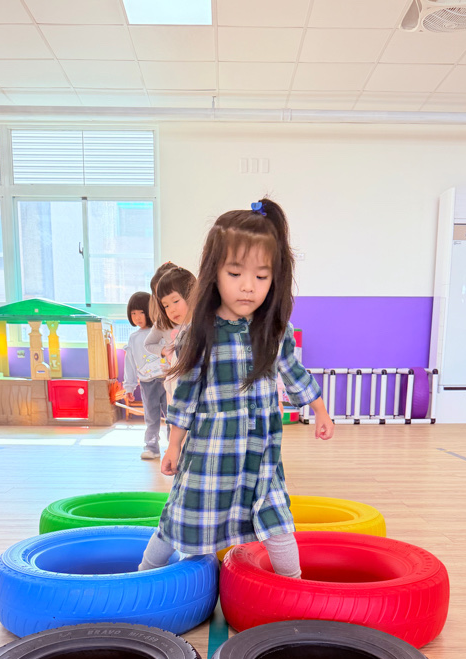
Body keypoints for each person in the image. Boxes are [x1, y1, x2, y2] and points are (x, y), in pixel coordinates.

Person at [138, 197, 334, 580]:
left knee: (278, 521)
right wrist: (173, 445)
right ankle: (142, 574)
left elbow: (292, 370)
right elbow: (186, 395)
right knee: (180, 519)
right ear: (214, 272)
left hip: (261, 454)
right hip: (210, 451)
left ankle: (295, 590)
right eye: (235, 273)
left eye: (262, 277)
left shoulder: (274, 330)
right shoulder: (200, 333)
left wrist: (320, 410)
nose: (248, 287)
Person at [122, 290, 167, 460]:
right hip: (147, 383)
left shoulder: (160, 331)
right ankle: (152, 447)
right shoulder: (133, 338)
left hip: (166, 379)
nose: (137, 317)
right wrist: (129, 387)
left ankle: (175, 447)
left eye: (141, 312)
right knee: (151, 418)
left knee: (172, 416)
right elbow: (130, 364)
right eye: (133, 313)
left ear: (151, 311)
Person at [145, 265, 196, 403]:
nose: (171, 309)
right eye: (166, 305)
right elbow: (148, 344)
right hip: (176, 384)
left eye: (175, 301)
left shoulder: (198, 330)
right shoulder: (178, 332)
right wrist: (165, 351)